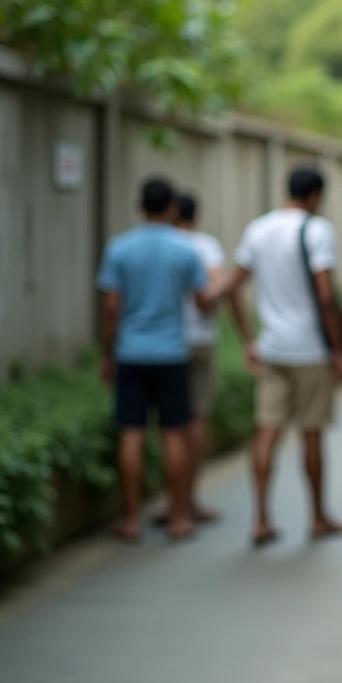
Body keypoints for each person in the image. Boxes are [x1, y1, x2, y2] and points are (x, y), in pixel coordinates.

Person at [223, 166, 342, 548]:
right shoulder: (318, 230)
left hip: (272, 348)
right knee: (311, 433)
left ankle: (261, 519)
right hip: (311, 350)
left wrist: (249, 339)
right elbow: (326, 296)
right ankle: (318, 517)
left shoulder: (258, 229)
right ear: (315, 195)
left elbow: (233, 288)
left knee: (267, 431)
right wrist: (340, 350)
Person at [96, 176, 212, 543]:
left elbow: (111, 308)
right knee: (173, 433)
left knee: (131, 433)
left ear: (139, 205)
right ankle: (178, 517)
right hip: (171, 353)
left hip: (131, 351)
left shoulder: (120, 248)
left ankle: (132, 520)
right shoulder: (185, 250)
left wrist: (106, 353)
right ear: (173, 208)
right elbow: (201, 301)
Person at [151, 191, 223, 527]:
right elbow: (211, 295)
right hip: (200, 341)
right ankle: (189, 502)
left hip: (164, 344)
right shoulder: (205, 247)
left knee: (169, 426)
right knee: (195, 421)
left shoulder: (154, 244)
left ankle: (172, 503)